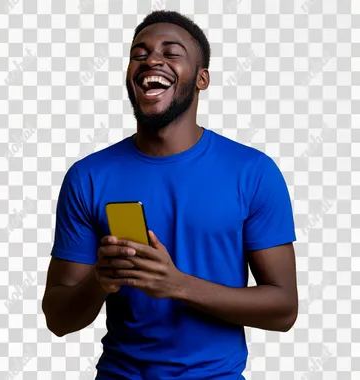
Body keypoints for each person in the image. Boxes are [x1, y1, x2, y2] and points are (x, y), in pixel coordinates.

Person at [42, 10, 298, 380]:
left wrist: (177, 285)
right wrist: (100, 279)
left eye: (171, 52)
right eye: (139, 53)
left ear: (201, 78)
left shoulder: (253, 171)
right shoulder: (88, 177)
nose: (152, 60)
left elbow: (284, 309)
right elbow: (58, 319)